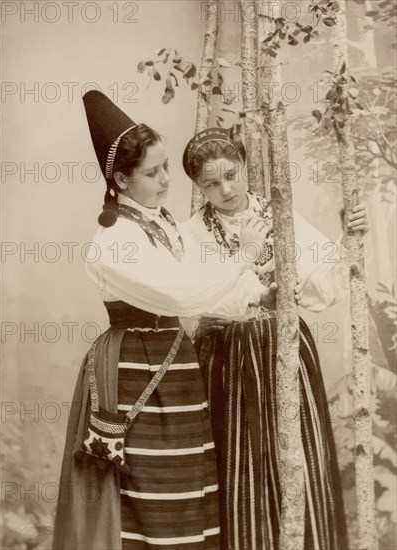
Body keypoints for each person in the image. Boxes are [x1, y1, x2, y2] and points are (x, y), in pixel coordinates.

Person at [53, 93, 284, 550]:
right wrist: (244, 256)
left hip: (175, 362)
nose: (166, 180)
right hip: (133, 370)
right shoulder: (115, 237)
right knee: (146, 491)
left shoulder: (160, 222)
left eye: (165, 168)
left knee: (184, 487)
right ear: (120, 178)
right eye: (152, 172)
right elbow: (180, 292)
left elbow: (203, 288)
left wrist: (261, 293)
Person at [181, 127, 369, 550]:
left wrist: (349, 238)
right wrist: (257, 288)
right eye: (211, 183)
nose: (225, 189)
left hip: (286, 347)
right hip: (226, 358)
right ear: (198, 186)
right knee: (240, 461)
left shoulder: (277, 214)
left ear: (246, 167)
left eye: (232, 174)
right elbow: (201, 299)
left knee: (300, 455)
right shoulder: (191, 233)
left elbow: (322, 281)